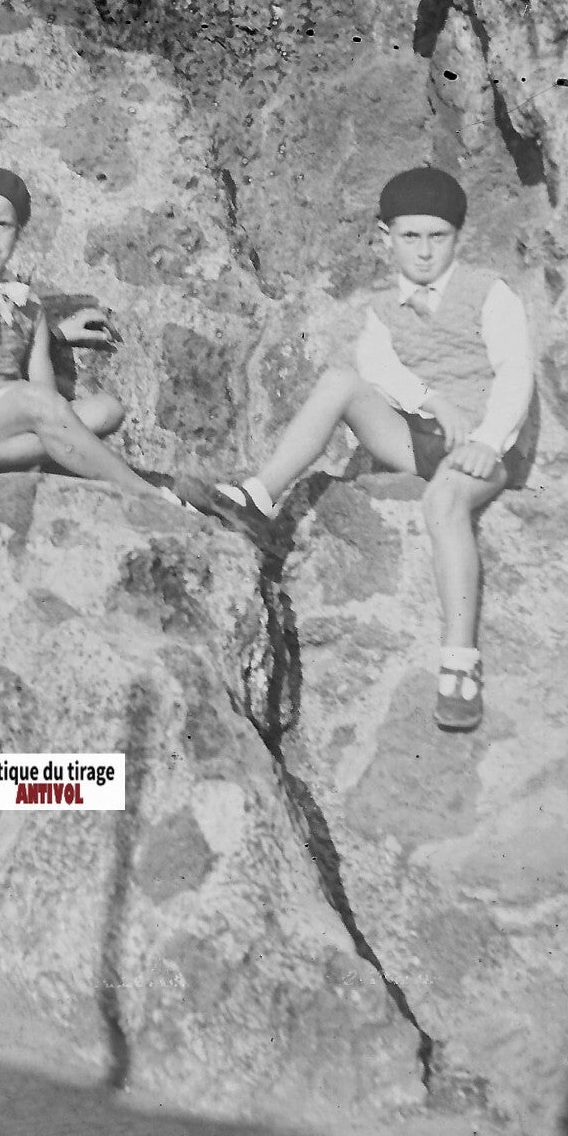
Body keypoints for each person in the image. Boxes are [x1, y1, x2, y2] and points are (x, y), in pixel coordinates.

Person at [177, 166, 534, 733]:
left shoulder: (490, 293)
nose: (422, 252)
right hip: (422, 436)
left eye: (437, 237)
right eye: (409, 236)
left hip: (484, 447)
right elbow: (378, 367)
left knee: (444, 503)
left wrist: (490, 442)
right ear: (384, 236)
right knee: (340, 382)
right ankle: (257, 497)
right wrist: (431, 399)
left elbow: (516, 374)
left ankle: (460, 663)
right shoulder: (381, 304)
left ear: (458, 238)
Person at [0, 165, 177, 501]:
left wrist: (26, 385)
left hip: (2, 428)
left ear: (18, 232)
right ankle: (146, 492)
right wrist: (12, 390)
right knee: (38, 403)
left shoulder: (27, 302)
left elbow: (47, 399)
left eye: (3, 225)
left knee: (106, 410)